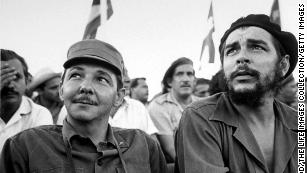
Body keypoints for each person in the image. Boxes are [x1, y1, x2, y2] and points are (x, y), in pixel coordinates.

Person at [0, 39, 167, 173]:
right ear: (61, 89)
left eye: (102, 79)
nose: (86, 87)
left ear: (118, 96)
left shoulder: (143, 146)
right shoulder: (24, 147)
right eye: (76, 75)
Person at [176, 14, 298, 173]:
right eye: (231, 50)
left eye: (256, 47)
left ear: (283, 65)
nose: (241, 57)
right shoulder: (200, 117)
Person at [0, 49, 53, 152]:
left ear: (27, 81)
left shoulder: (39, 114)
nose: (10, 85)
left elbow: (38, 158)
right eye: (2, 77)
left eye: (16, 77)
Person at [148, 57, 199, 163]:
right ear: (170, 82)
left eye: (190, 74)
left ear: (194, 81)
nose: (186, 79)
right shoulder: (158, 106)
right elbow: (172, 150)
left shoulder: (204, 104)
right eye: (180, 74)